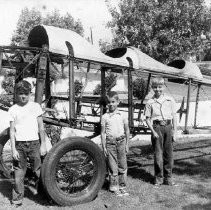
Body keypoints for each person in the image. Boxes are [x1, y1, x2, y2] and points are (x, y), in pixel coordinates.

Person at [8, 80, 47, 206]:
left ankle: (44, 194)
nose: (23, 96)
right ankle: (17, 199)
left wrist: (43, 144)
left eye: (25, 93)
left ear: (30, 93)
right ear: (16, 94)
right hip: (19, 146)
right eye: (20, 93)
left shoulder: (35, 107)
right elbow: (12, 131)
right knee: (19, 173)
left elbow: (41, 127)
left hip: (34, 144)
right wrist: (13, 149)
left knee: (38, 170)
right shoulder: (13, 109)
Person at [144, 76, 177, 186]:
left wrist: (175, 132)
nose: (157, 89)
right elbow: (147, 119)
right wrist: (153, 131)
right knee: (158, 155)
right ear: (152, 87)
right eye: (155, 87)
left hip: (168, 127)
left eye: (160, 87)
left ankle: (169, 178)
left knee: (169, 154)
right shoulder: (150, 102)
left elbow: (174, 117)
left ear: (164, 87)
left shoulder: (170, 100)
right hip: (157, 128)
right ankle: (158, 178)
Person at [101, 91, 130, 196]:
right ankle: (114, 187)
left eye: (113, 102)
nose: (111, 104)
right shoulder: (105, 117)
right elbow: (103, 133)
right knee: (113, 166)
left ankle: (122, 186)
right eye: (109, 102)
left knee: (122, 165)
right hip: (110, 143)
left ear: (118, 102)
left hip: (121, 142)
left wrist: (127, 144)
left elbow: (127, 130)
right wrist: (104, 146)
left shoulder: (122, 115)